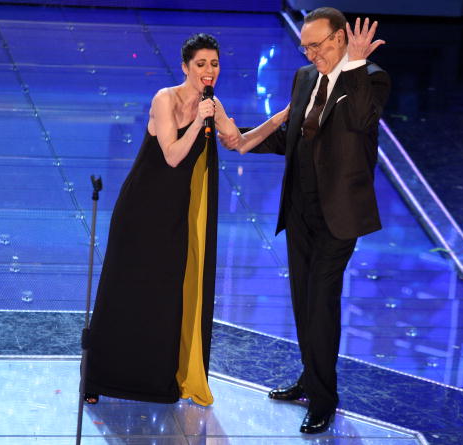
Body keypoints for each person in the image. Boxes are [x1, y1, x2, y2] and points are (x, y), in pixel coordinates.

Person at [220, 7, 390, 434]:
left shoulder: (369, 79)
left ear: (339, 39)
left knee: (321, 303)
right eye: (305, 46)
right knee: (302, 303)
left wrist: (353, 65)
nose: (310, 53)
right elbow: (290, 135)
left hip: (339, 217)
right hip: (299, 211)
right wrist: (242, 140)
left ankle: (324, 398)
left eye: (316, 45)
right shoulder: (304, 79)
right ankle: (309, 380)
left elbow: (359, 120)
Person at [83, 33, 245, 405]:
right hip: (142, 210)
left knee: (164, 296)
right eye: (201, 64)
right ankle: (97, 378)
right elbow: (172, 155)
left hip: (176, 215)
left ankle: (154, 381)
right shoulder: (164, 99)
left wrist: (284, 116)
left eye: (215, 64)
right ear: (186, 67)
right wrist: (200, 122)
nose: (209, 70)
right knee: (123, 292)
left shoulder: (212, 105)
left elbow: (237, 140)